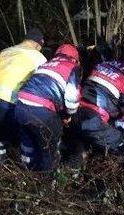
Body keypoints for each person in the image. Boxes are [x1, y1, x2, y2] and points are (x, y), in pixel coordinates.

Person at [0, 28, 47, 162]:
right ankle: (28, 165)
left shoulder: (6, 51)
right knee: (27, 131)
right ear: (38, 44)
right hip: (5, 100)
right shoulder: (39, 58)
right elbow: (41, 85)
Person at [14, 43, 81, 172]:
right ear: (75, 58)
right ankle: (46, 182)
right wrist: (68, 116)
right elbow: (72, 99)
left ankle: (26, 175)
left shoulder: (46, 64)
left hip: (20, 106)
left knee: (28, 143)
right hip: (41, 111)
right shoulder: (72, 67)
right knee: (50, 149)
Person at [67, 58, 124, 168]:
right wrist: (122, 134)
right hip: (94, 120)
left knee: (78, 148)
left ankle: (68, 174)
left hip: (74, 113)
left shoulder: (99, 65)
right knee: (123, 147)